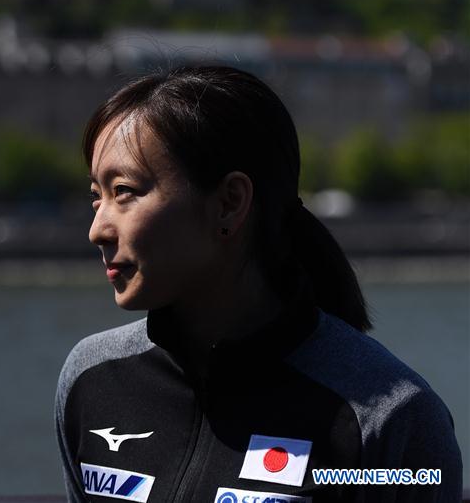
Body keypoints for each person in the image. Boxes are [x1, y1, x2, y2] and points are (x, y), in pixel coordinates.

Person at [55, 65, 462, 503]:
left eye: (125, 191)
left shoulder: (390, 418)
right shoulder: (90, 379)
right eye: (97, 195)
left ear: (230, 202)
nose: (98, 229)